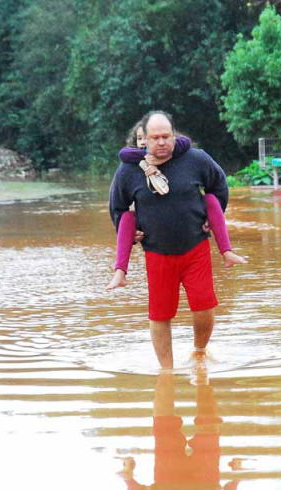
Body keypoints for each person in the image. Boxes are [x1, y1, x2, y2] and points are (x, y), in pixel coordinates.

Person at [108, 111, 232, 368]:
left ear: (175, 136)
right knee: (160, 314)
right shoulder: (129, 170)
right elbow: (118, 208)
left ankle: (199, 352)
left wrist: (215, 214)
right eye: (155, 137)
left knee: (204, 306)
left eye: (166, 136)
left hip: (195, 246)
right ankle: (167, 372)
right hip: (156, 252)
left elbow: (218, 185)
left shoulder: (196, 159)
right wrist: (130, 235)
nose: (161, 142)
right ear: (144, 140)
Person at [106, 122, 246, 291]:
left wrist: (165, 156)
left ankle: (227, 252)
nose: (143, 142)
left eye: (163, 137)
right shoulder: (130, 164)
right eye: (140, 138)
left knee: (210, 199)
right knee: (126, 217)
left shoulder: (190, 155)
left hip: (194, 240)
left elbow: (185, 144)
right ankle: (120, 272)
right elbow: (117, 201)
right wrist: (132, 235)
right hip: (155, 245)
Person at [119, 371, 244, 490]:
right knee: (165, 424)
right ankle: (168, 372)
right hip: (171, 484)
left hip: (202, 488)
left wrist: (235, 482)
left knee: (207, 426)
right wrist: (130, 481)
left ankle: (198, 374)